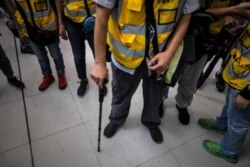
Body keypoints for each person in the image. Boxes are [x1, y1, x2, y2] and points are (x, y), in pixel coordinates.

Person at [90, 0, 199, 144]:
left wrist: (170, 53)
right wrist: (99, 62)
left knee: (155, 96)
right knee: (120, 93)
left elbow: (187, 15)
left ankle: (151, 122)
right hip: (125, 56)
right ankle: (116, 119)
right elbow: (101, 14)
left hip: (159, 57)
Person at [172, 0, 242, 125]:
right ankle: (159, 100)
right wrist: (229, 12)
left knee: (191, 78)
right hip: (184, 32)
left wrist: (234, 21)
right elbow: (193, 10)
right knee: (169, 73)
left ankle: (182, 104)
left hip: (209, 41)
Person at [197, 2, 250, 164]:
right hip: (237, 76)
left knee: (239, 120)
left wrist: (247, 94)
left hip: (245, 85)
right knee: (229, 104)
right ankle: (221, 125)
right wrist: (243, 30)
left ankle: (229, 151)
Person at [5, 0, 68, 91]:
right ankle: (47, 76)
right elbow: (12, 9)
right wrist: (19, 29)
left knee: (56, 54)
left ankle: (61, 74)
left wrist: (60, 23)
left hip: (49, 27)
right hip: (30, 30)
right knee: (41, 57)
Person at [55, 0, 106, 97]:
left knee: (98, 52)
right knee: (78, 56)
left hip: (93, 17)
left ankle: (101, 80)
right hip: (71, 21)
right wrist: (60, 23)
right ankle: (83, 80)